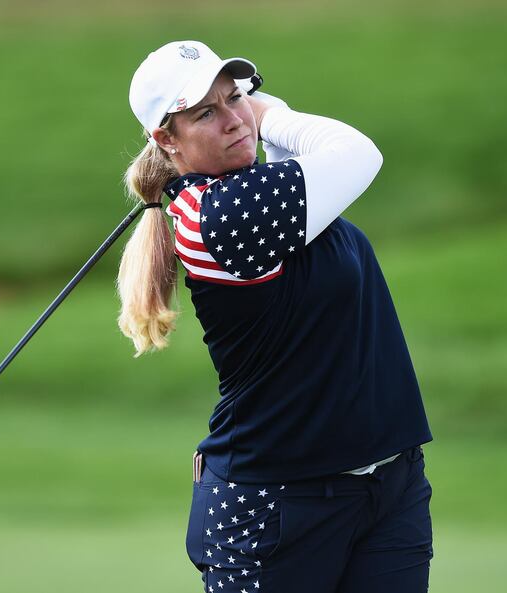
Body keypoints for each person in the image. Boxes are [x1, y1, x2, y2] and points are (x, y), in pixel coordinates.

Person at [118, 40, 434, 593]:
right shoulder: (216, 218)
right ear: (167, 139)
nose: (233, 119)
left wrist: (249, 115)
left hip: (388, 488)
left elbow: (301, 166)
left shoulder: (265, 195)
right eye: (205, 113)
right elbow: (357, 153)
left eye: (234, 96)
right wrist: (271, 114)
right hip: (276, 509)